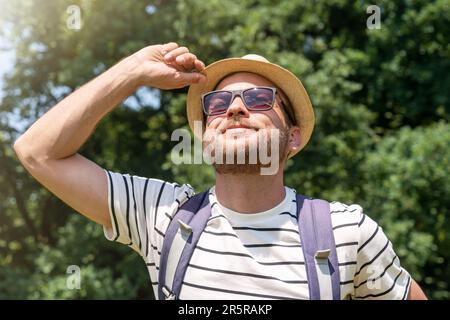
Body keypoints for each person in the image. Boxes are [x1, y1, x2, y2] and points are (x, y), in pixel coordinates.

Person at [13, 42, 427, 300]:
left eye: (260, 98)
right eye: (216, 103)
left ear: (294, 137)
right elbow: (37, 151)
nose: (233, 108)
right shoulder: (162, 216)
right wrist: (133, 70)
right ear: (206, 136)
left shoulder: (346, 232)